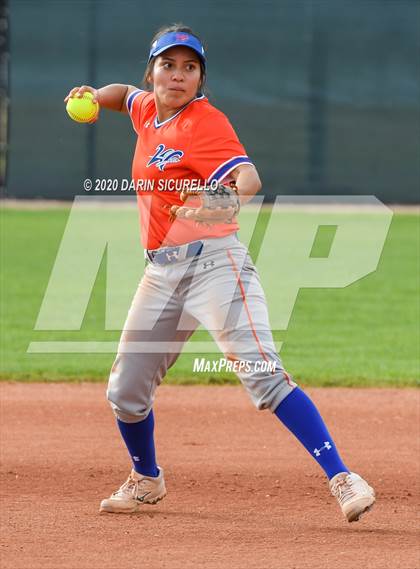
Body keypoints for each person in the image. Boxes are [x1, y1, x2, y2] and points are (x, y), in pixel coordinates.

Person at [64, 24, 375, 522]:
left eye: (190, 68)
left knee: (262, 376)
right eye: (169, 65)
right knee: (124, 392)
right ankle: (147, 479)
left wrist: (221, 202)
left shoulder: (205, 123)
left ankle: (343, 477)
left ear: (200, 79)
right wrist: (95, 97)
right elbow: (124, 95)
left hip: (215, 265)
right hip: (161, 273)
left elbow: (249, 179)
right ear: (153, 71)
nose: (178, 75)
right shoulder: (147, 109)